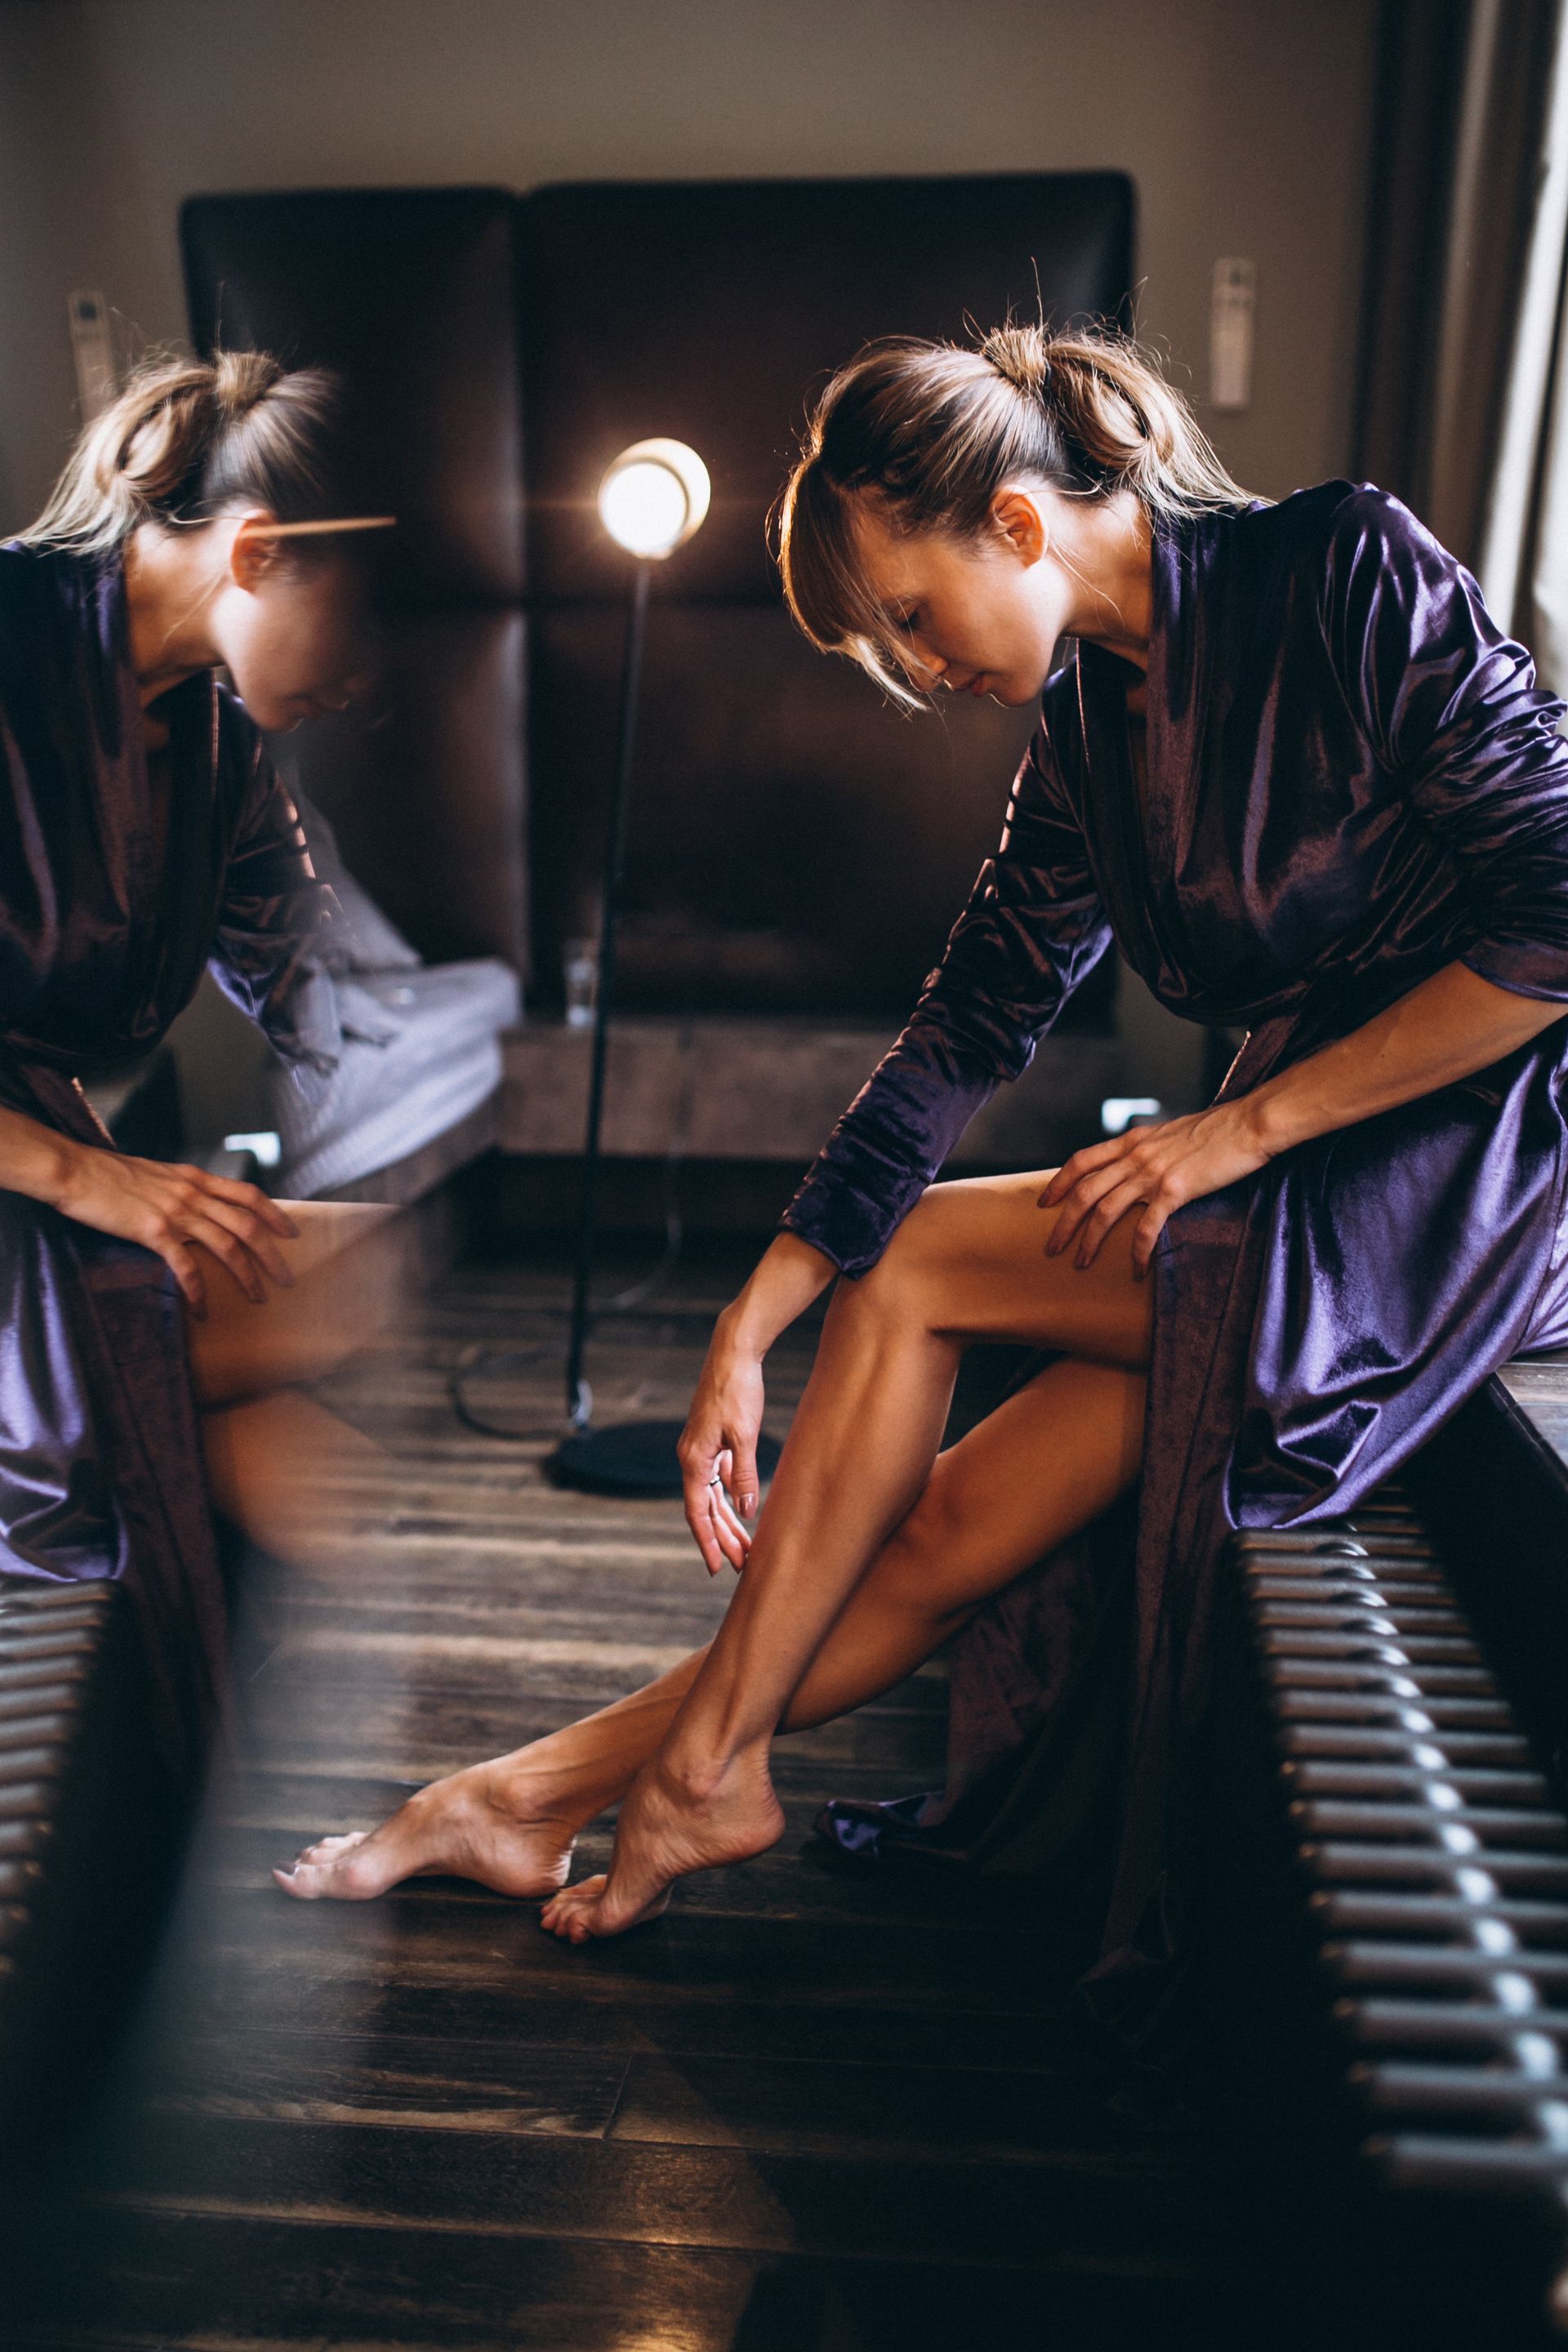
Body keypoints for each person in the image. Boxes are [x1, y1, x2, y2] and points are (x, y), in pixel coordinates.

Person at [277, 323, 1568, 2040]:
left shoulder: (1342, 566)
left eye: (908, 616)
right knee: (940, 1522)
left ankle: (683, 1783)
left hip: (1486, 1162)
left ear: (1020, 528)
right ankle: (534, 1792)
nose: (910, 668)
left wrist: (1234, 1132)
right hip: (1309, 1161)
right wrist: (755, 1310)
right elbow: (969, 1023)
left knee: (930, 1270)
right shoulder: (1096, 725)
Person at [0, 350, 402, 1769]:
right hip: (27, 1171)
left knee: (359, 1279)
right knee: (283, 1436)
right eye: (364, 621)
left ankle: (219, 1801)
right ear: (259, 550)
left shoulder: (212, 732)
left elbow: (310, 968)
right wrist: (86, 1183)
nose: (366, 678)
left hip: (38, 1176)